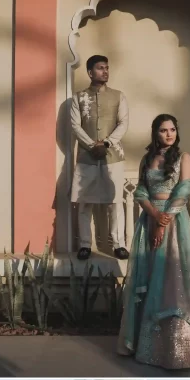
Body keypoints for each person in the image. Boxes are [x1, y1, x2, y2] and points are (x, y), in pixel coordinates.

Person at [117, 114, 190, 369]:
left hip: (174, 223)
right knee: (150, 277)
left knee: (174, 279)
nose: (169, 134)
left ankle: (178, 348)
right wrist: (154, 217)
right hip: (150, 220)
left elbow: (183, 190)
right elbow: (140, 191)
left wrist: (164, 221)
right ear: (155, 132)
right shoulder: (147, 159)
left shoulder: (183, 158)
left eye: (172, 129)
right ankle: (146, 343)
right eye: (163, 130)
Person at [70, 54, 129, 261]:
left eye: (107, 67)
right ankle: (85, 244)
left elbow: (123, 123)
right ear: (89, 72)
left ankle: (119, 244)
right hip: (86, 157)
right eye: (100, 68)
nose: (105, 71)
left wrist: (105, 144)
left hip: (112, 156)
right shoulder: (78, 97)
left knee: (114, 201)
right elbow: (75, 125)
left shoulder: (118, 96)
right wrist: (91, 145)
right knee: (84, 201)